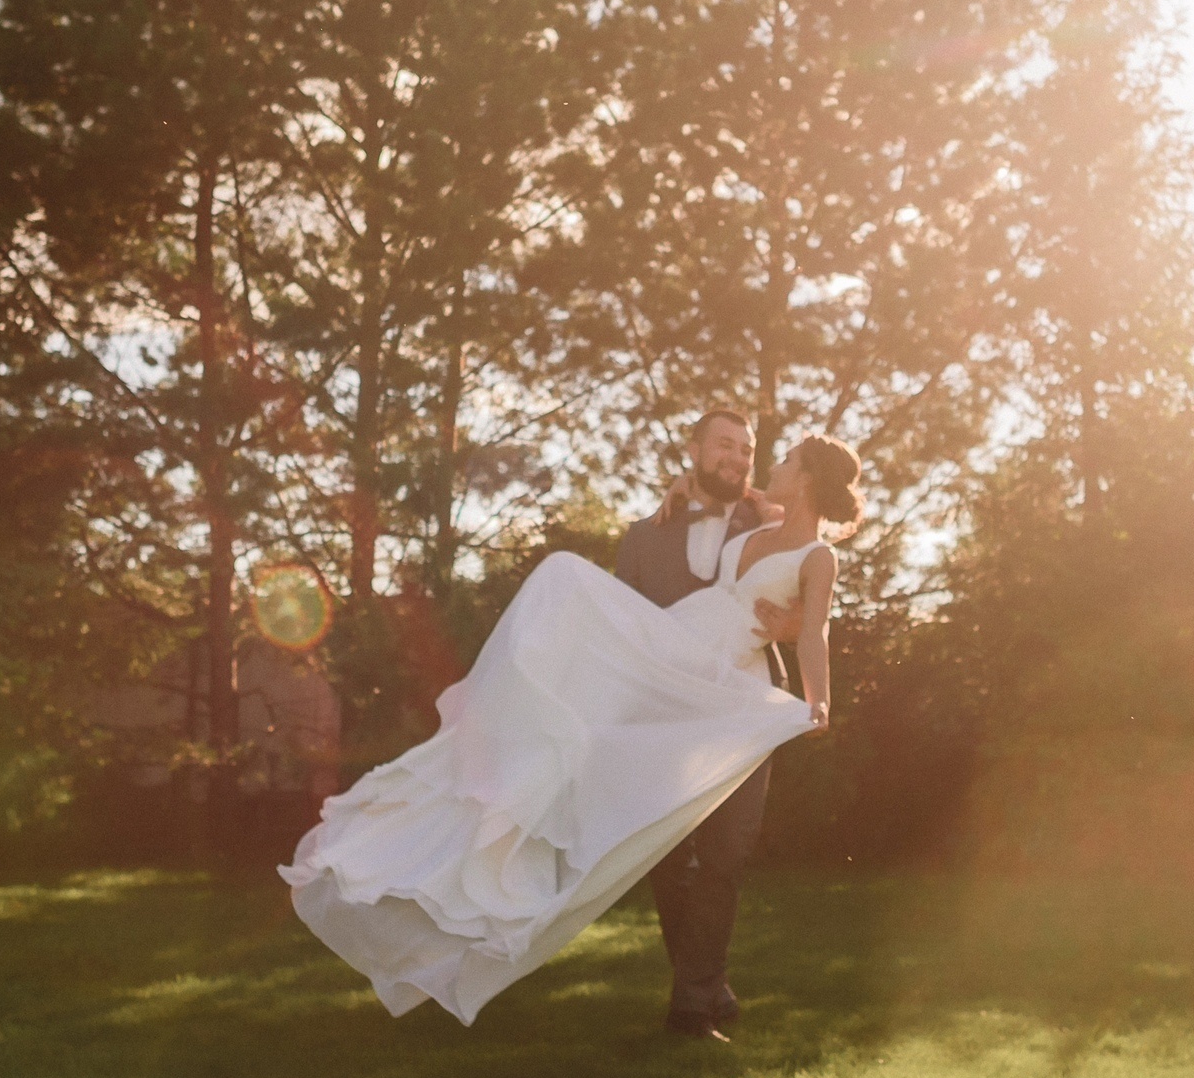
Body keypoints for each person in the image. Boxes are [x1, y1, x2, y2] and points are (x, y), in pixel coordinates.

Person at [281, 431, 863, 1027]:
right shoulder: (762, 522)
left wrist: (818, 700)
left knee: (722, 851)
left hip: (730, 685)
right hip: (680, 651)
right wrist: (687, 483)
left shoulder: (819, 556)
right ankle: (693, 982)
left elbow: (814, 628)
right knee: (568, 600)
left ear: (808, 479)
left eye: (787, 460)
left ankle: (700, 991)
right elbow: (745, 492)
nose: (770, 465)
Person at [614, 409, 802, 1040]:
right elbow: (622, 628)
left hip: (745, 710)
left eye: (746, 449)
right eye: (724, 445)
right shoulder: (642, 538)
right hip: (667, 716)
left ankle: (691, 1005)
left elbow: (811, 599)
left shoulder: (773, 524)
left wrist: (792, 626)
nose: (738, 457)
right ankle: (705, 983)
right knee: (670, 855)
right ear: (693, 449)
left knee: (727, 851)